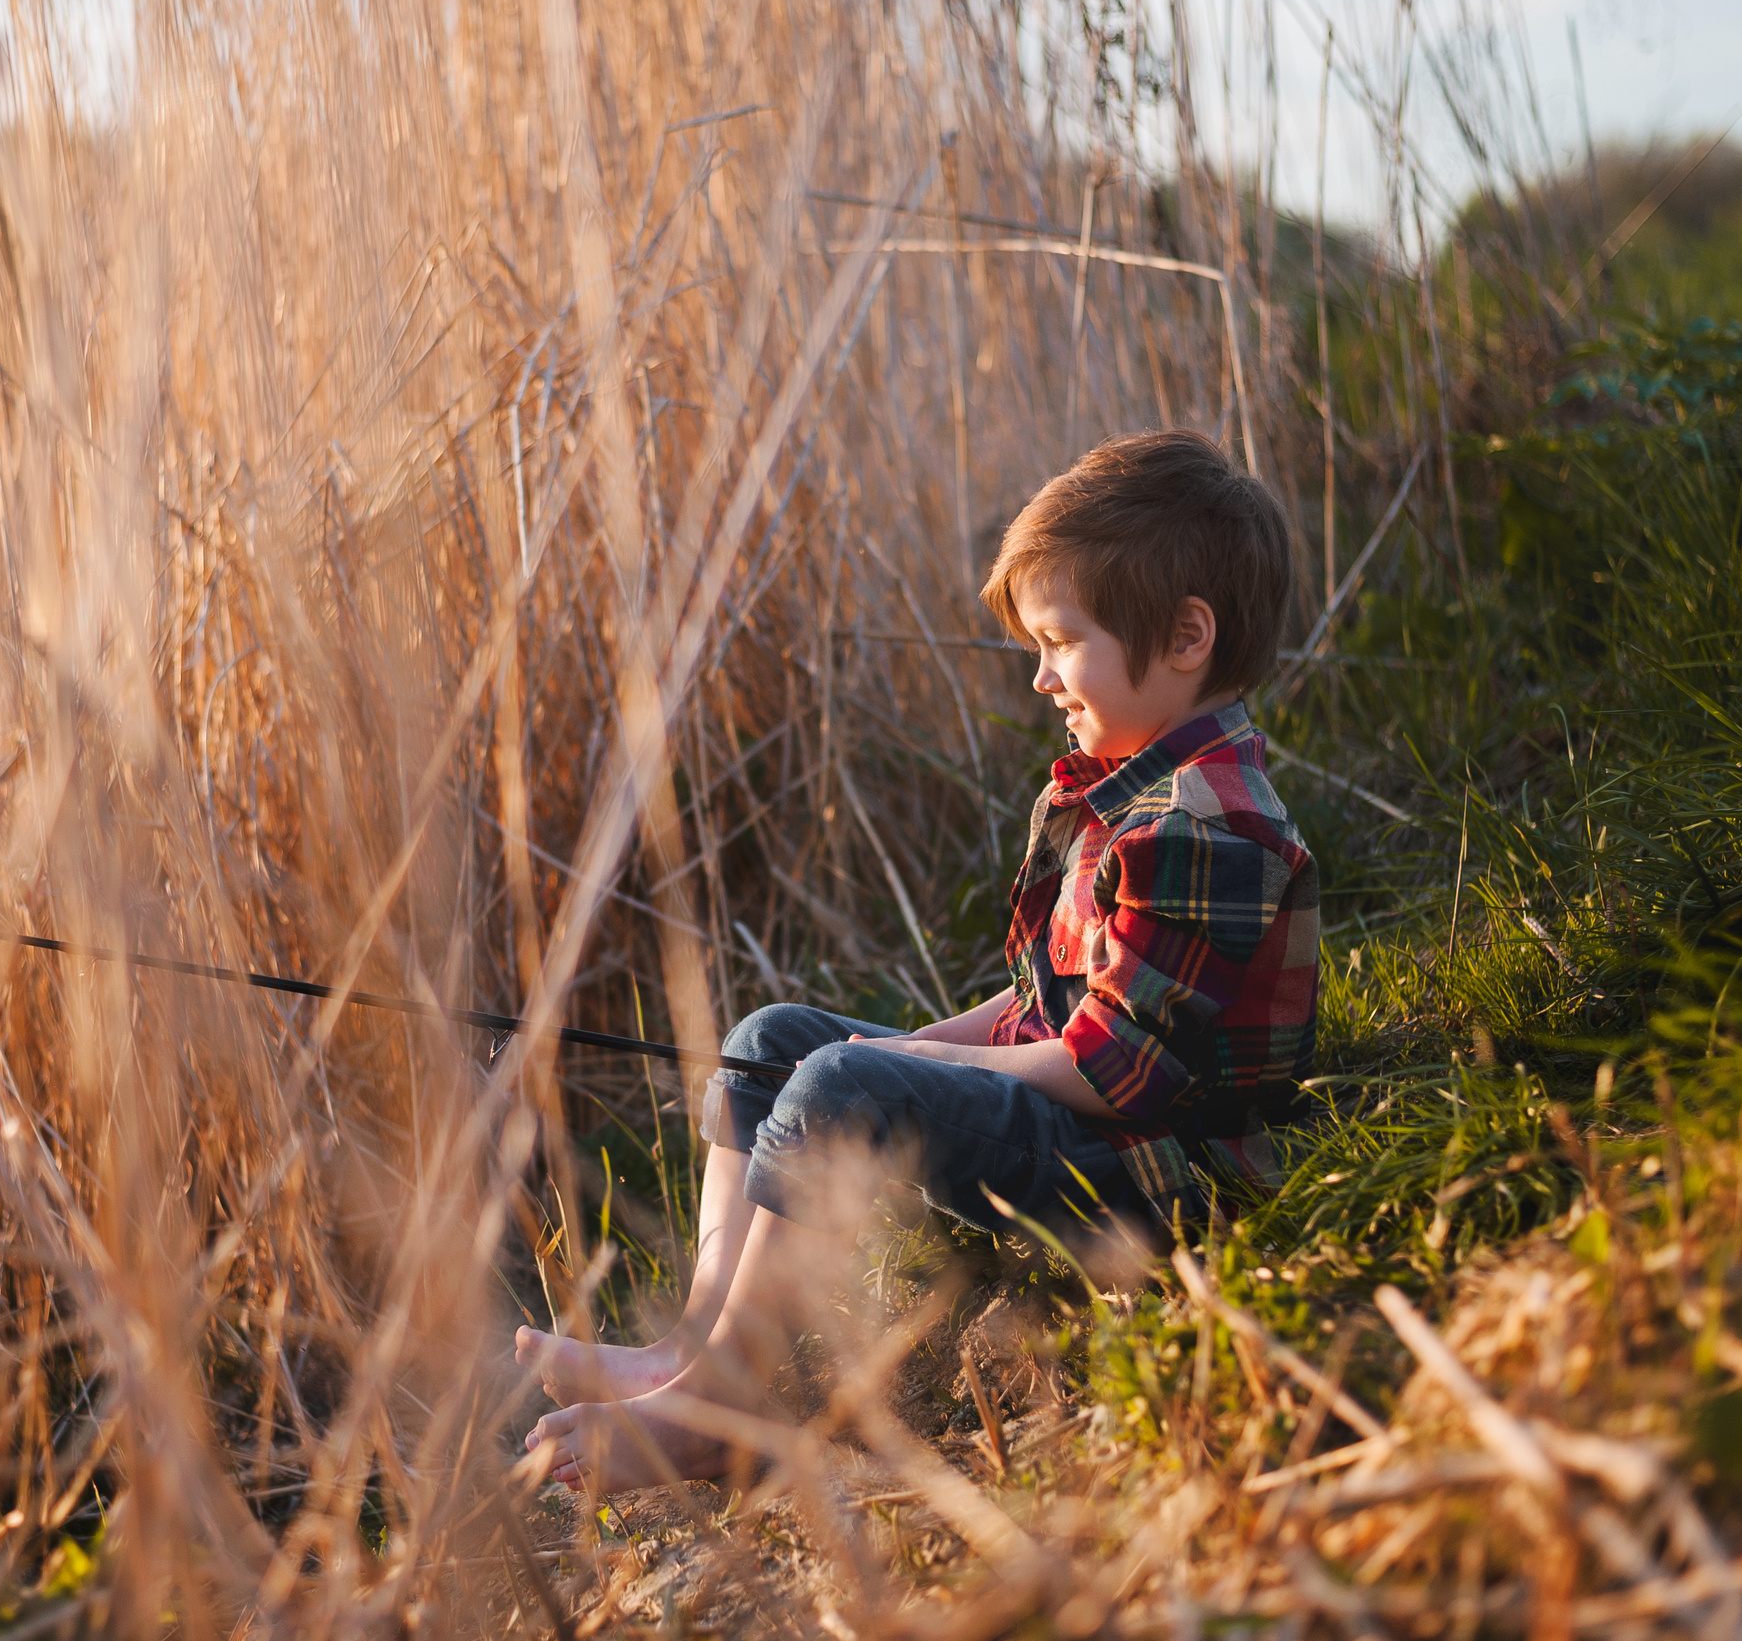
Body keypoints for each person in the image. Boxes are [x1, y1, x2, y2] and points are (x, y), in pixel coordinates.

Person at [513, 429, 1321, 1490]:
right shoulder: (1124, 790)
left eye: (1060, 642)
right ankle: (692, 1349)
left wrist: (907, 1068)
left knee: (840, 1083)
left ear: (1184, 637)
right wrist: (902, 1045)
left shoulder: (1204, 825)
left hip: (1160, 1172)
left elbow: (1109, 1065)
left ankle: (720, 1407)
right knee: (772, 1044)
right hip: (1094, 1116)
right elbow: (1045, 1003)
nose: (1040, 676)